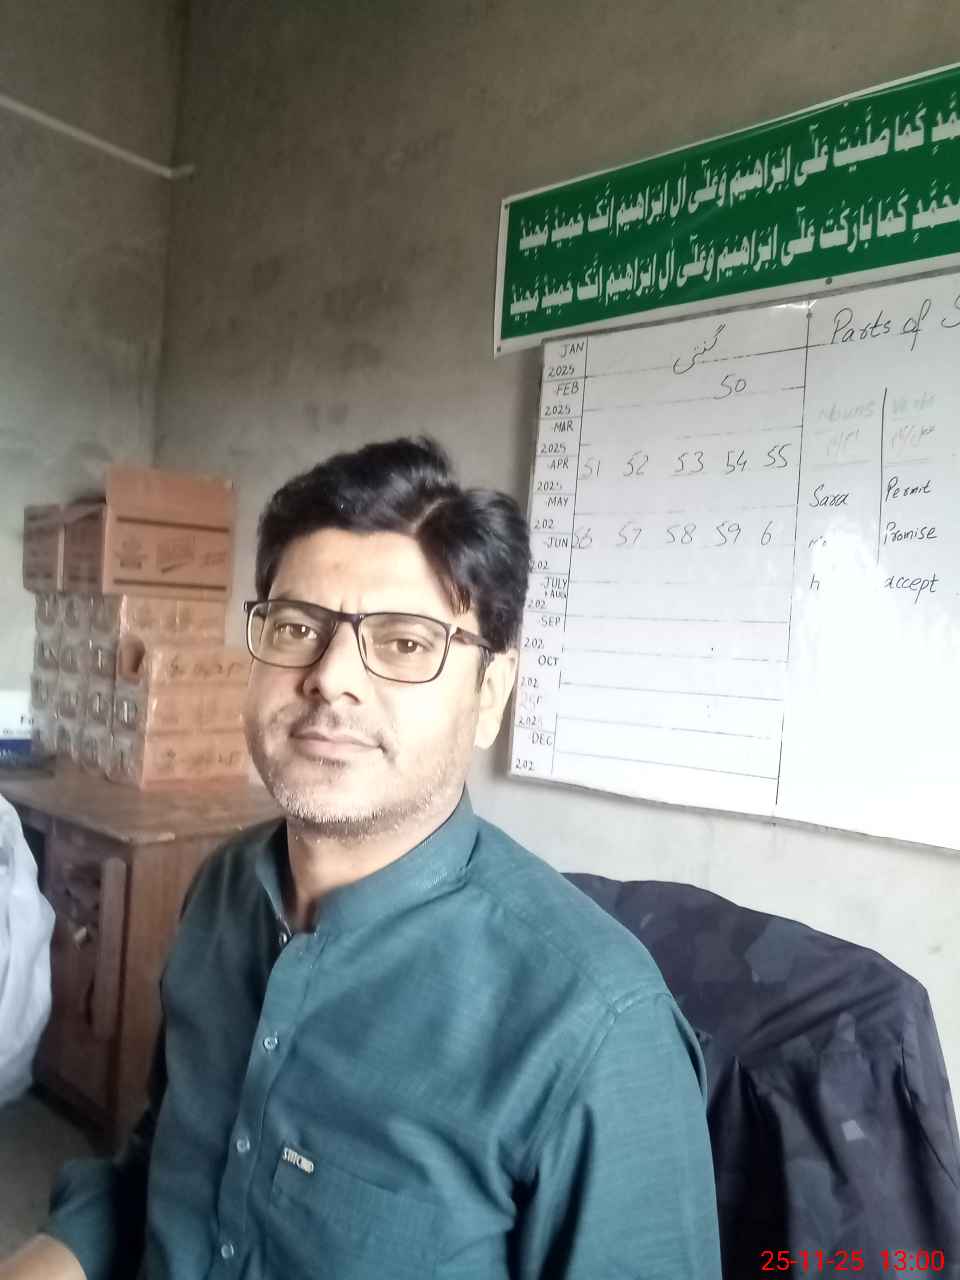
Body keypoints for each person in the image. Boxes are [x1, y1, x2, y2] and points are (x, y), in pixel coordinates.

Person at [2, 437, 721, 1279]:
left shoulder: (598, 1030)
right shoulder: (223, 890)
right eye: (296, 627)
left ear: (490, 694)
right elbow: (168, 1163)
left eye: (406, 643)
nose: (330, 677)